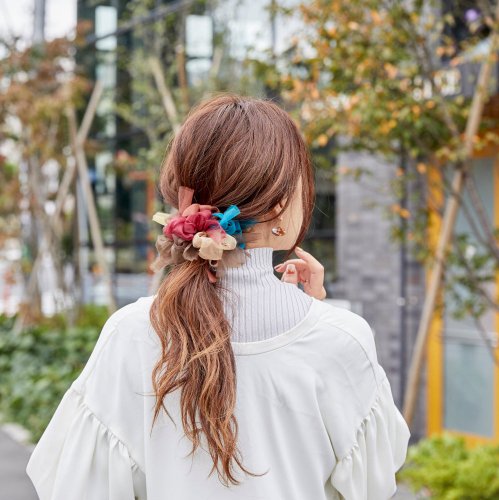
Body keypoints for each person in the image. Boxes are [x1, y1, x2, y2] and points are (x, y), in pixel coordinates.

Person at [26, 93, 410, 500]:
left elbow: (78, 487)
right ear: (281, 205)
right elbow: (371, 487)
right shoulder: (342, 340)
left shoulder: (132, 333)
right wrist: (315, 315)